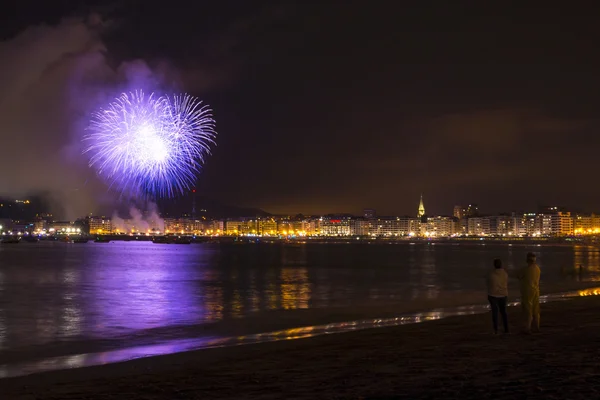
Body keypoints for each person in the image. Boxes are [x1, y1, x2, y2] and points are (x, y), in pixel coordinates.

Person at [516, 252, 541, 334]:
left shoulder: (526, 269)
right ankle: (536, 326)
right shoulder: (537, 268)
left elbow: (519, 276)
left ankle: (528, 327)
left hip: (527, 291)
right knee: (535, 310)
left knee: (528, 310)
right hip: (536, 290)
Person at [487, 258, 509, 334]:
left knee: (495, 312)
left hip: (493, 295)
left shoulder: (491, 274)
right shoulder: (505, 274)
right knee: (503, 312)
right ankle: (506, 328)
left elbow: (488, 283)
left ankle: (496, 329)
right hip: (503, 294)